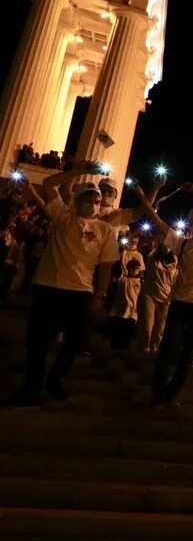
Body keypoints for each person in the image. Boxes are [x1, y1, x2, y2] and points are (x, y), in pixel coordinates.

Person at [7, 160, 119, 407]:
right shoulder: (62, 216)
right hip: (48, 286)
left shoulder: (105, 230)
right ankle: (31, 387)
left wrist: (100, 294)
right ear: (77, 200)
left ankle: (54, 380)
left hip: (80, 292)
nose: (93, 203)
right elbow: (48, 184)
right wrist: (82, 171)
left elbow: (106, 265)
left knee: (74, 342)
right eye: (88, 199)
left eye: (97, 200)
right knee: (38, 342)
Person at [134, 183, 193, 407]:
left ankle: (172, 393)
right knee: (168, 349)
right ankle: (158, 394)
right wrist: (140, 194)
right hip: (180, 302)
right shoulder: (180, 243)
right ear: (190, 224)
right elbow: (156, 220)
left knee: (188, 354)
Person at [138, 235, 177, 353]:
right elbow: (150, 249)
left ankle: (155, 346)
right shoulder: (153, 259)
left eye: (169, 245)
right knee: (148, 325)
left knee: (161, 327)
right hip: (150, 295)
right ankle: (145, 346)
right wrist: (159, 238)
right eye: (165, 244)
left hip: (166, 299)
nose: (167, 247)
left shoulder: (175, 262)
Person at [107, 258, 142, 349]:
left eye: (137, 268)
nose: (134, 270)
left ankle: (124, 350)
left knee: (128, 333)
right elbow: (118, 271)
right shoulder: (123, 279)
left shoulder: (141, 282)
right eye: (132, 267)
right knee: (117, 331)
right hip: (121, 311)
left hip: (132, 312)